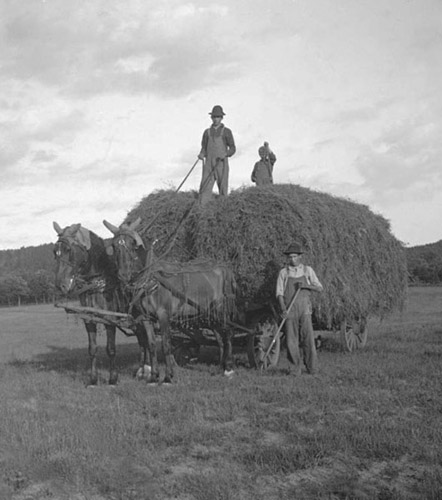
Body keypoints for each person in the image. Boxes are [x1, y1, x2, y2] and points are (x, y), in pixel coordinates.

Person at [275, 242, 323, 375]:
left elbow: (319, 288)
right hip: (290, 309)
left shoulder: (308, 271)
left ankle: (312, 368)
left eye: (295, 256)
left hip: (305, 309)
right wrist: (283, 309)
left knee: (308, 338)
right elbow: (279, 293)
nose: (292, 259)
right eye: (290, 257)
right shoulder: (284, 273)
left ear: (300, 257)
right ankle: (294, 369)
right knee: (291, 340)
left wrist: (306, 286)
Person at [197, 105, 236, 205]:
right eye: (214, 117)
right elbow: (204, 147)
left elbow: (233, 148)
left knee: (223, 187)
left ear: (221, 118)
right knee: (205, 186)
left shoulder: (227, 132)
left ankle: (223, 209)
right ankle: (202, 210)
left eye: (218, 117)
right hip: (209, 163)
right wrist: (201, 154)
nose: (216, 119)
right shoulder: (207, 132)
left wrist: (226, 153)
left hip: (221, 163)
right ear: (211, 118)